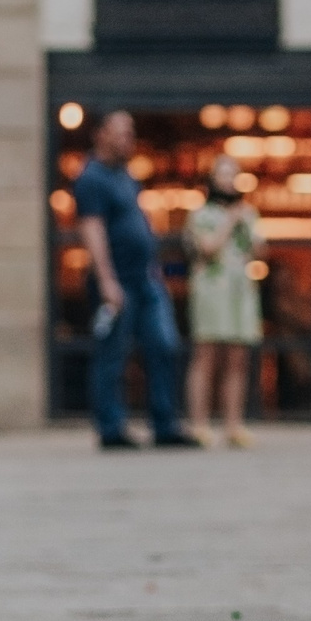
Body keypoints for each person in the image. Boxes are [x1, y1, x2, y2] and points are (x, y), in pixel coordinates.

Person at [73, 108, 197, 450]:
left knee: (164, 346)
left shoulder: (126, 175)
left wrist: (154, 268)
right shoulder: (91, 178)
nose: (129, 137)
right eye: (121, 131)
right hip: (118, 281)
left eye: (130, 131)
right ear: (100, 134)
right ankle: (111, 428)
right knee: (112, 354)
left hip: (146, 279)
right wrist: (107, 281)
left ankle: (164, 424)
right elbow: (92, 230)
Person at [185, 155, 263, 447]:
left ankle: (233, 425)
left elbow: (259, 251)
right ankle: (200, 424)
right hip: (211, 290)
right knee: (206, 356)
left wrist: (248, 228)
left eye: (233, 175)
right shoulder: (201, 215)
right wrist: (231, 220)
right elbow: (207, 248)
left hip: (240, 291)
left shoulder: (248, 214)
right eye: (223, 174)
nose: (229, 180)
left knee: (237, 359)